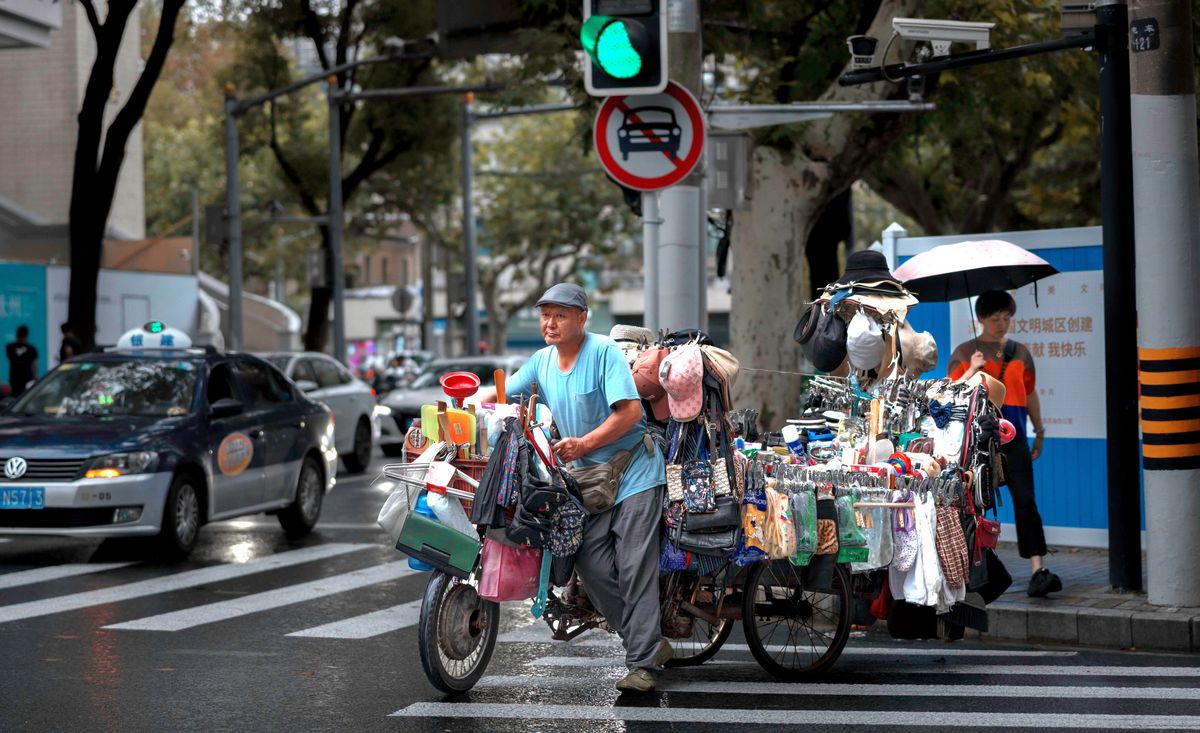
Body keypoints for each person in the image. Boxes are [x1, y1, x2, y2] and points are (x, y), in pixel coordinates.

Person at [473, 283, 669, 693]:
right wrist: (469, 406)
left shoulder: (603, 353)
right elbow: (503, 393)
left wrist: (583, 444)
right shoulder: (542, 361)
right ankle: (647, 642)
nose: (551, 322)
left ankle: (643, 664)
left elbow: (631, 412)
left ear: (583, 318)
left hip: (633, 472)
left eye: (561, 314)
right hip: (587, 483)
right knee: (590, 564)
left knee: (634, 566)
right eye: (546, 314)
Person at [948, 290, 1062, 598]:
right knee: (974, 507)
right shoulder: (963, 353)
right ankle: (972, 574)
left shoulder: (1020, 352)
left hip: (1015, 440)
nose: (1002, 323)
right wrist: (972, 369)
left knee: (1026, 502)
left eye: (1006, 317)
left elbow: (1030, 393)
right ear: (981, 319)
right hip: (979, 444)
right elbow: (951, 395)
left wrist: (1039, 430)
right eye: (995, 318)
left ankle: (1038, 570)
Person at [5, 325, 38, 397]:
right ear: (27, 335)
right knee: (26, 397)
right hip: (27, 378)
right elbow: (34, 365)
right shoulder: (31, 349)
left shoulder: (10, 347)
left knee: (16, 399)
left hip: (14, 378)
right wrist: (34, 377)